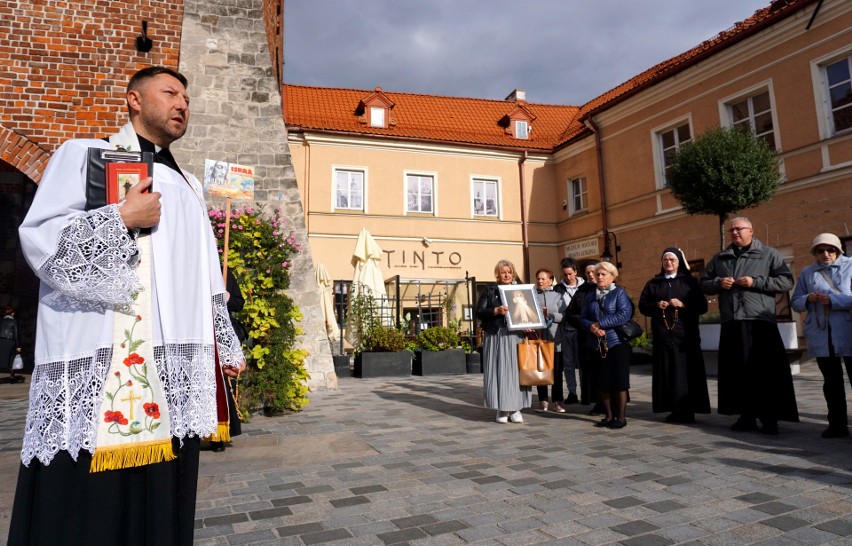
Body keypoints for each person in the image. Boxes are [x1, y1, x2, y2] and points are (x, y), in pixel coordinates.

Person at [9, 66, 245, 546]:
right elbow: (40, 241)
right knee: (89, 512)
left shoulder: (190, 185)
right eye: (170, 93)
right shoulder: (87, 156)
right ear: (134, 101)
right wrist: (120, 218)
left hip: (174, 370)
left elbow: (203, 280)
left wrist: (223, 345)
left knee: (164, 503)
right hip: (105, 370)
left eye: (186, 97)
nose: (182, 103)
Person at [700, 216, 798, 435]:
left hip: (760, 322)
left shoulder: (768, 254)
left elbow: (786, 281)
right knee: (738, 372)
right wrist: (718, 283)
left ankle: (769, 419)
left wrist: (756, 282)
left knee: (765, 372)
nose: (735, 233)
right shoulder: (721, 258)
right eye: (731, 230)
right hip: (732, 322)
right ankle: (746, 417)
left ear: (751, 231)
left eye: (739, 229)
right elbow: (703, 284)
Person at [639, 248, 711, 424]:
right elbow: (642, 306)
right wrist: (657, 305)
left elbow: (702, 306)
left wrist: (683, 304)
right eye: (665, 260)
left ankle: (688, 410)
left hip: (686, 338)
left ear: (679, 262)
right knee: (668, 373)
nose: (668, 263)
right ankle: (673, 409)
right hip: (664, 337)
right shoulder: (654, 283)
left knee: (687, 374)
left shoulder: (689, 283)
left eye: (672, 260)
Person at [791, 233, 852, 438]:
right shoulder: (808, 272)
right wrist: (809, 298)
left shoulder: (850, 266)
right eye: (820, 250)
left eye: (831, 249)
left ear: (838, 250)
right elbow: (796, 301)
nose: (826, 254)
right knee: (831, 382)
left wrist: (833, 301)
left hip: (848, 332)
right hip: (822, 333)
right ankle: (837, 425)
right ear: (814, 252)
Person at [476, 259, 531, 423]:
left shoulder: (521, 289)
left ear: (513, 273)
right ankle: (502, 409)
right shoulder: (490, 289)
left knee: (516, 372)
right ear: (497, 275)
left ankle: (516, 408)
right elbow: (479, 312)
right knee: (500, 371)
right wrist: (496, 310)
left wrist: (529, 324)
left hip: (516, 335)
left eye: (509, 272)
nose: (506, 275)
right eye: (503, 272)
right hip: (497, 335)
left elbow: (528, 312)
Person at [580, 262, 633, 429]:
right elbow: (582, 318)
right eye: (598, 274)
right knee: (602, 383)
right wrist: (591, 327)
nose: (600, 277)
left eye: (604, 274)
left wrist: (600, 323)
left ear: (612, 276)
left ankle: (621, 417)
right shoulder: (590, 295)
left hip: (616, 343)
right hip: (597, 344)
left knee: (619, 382)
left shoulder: (619, 293)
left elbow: (624, 314)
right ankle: (609, 416)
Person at [210, 269, 247, 453]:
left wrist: (228, 298)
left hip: (218, 335)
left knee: (220, 384)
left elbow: (239, 303)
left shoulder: (223, 272)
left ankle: (218, 436)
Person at [553, 257, 590, 406]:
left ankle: (585, 393)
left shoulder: (586, 287)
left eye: (570, 274)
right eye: (565, 274)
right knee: (568, 364)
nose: (567, 277)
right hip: (566, 329)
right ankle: (572, 393)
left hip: (582, 330)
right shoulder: (558, 289)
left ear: (576, 272)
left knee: (582, 363)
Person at [532, 268, 566, 413]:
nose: (540, 281)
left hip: (555, 339)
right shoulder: (532, 296)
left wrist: (550, 314)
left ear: (551, 281)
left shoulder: (558, 296)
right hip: (538, 339)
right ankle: (543, 400)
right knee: (541, 371)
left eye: (543, 279)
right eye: (538, 278)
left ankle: (557, 401)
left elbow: (564, 316)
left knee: (557, 373)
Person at [0, 306, 22, 382]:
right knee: (12, 359)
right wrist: (18, 346)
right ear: (13, 313)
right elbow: (16, 334)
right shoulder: (14, 321)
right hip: (10, 342)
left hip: (1, 341)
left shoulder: (1, 321)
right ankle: (12, 377)